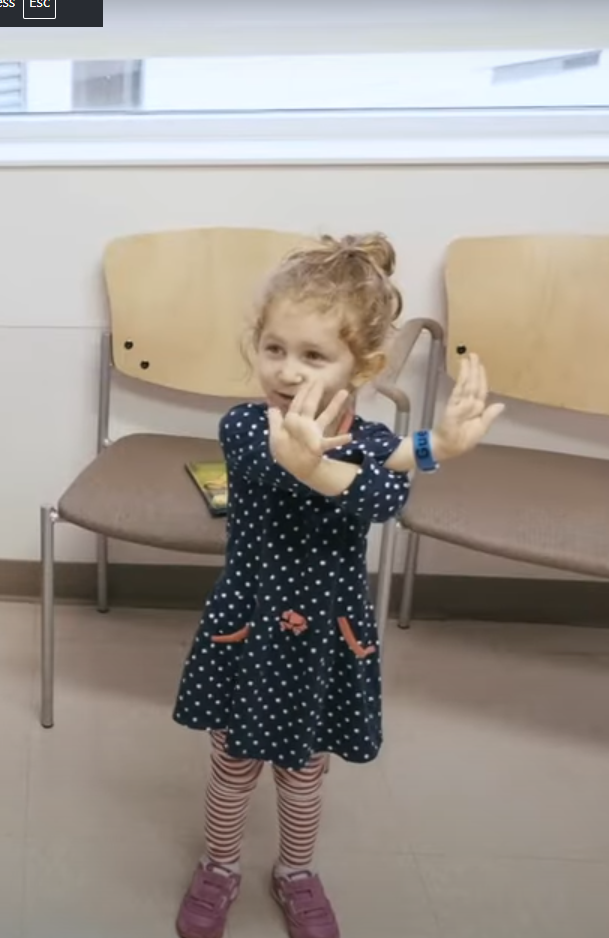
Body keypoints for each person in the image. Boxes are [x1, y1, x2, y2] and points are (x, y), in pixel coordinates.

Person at [169, 234, 505, 938]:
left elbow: (384, 487)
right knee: (233, 764)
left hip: (325, 636)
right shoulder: (244, 427)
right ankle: (220, 864)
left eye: (313, 356)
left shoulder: (370, 440)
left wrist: (436, 448)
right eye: (273, 348)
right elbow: (314, 477)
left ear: (365, 366)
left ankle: (295, 871)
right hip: (251, 628)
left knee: (302, 773)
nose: (286, 372)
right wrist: (317, 468)